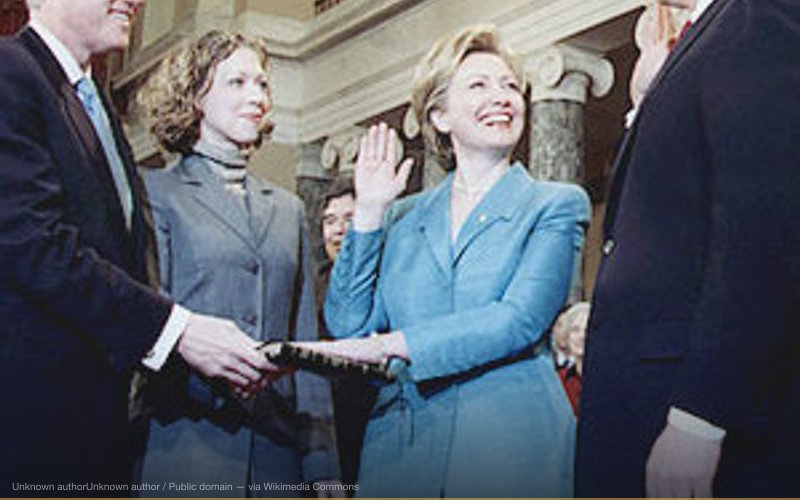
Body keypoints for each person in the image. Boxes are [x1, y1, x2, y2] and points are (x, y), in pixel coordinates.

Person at [0, 1, 275, 493]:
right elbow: (34, 247)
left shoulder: (96, 102)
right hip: (30, 425)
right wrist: (178, 330)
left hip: (97, 431)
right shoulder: (9, 71)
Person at [305, 25, 591, 497]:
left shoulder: (556, 203)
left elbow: (518, 320)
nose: (501, 98)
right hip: (403, 453)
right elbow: (349, 324)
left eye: (509, 86)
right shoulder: (401, 215)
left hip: (513, 451)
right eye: (479, 85)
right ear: (439, 115)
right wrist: (370, 214)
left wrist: (391, 345)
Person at [576, 0, 800, 496]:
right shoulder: (707, 34)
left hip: (691, 409)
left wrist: (701, 417)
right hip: (648, 398)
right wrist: (644, 104)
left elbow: (761, 225)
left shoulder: (758, 13)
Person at [136, 30, 341, 496]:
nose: (257, 96)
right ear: (195, 97)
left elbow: (304, 340)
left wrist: (322, 458)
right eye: (237, 82)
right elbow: (150, 328)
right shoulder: (155, 194)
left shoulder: (288, 208)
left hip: (277, 457)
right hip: (184, 446)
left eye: (263, 84)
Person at [315, 176, 372, 491]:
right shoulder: (311, 285)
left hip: (376, 425)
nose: (338, 230)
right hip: (326, 427)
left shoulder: (389, 280)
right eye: (330, 221)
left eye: (350, 219)